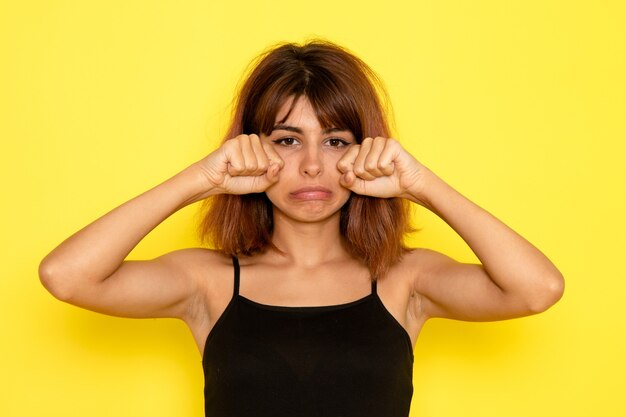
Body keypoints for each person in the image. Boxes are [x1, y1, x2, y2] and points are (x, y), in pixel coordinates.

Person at [39, 40, 564, 417]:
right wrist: (202, 179)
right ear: (250, 147)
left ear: (364, 150)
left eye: (335, 141)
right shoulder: (210, 281)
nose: (312, 165)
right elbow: (66, 276)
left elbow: (537, 289)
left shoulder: (407, 279)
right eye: (288, 141)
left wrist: (421, 184)